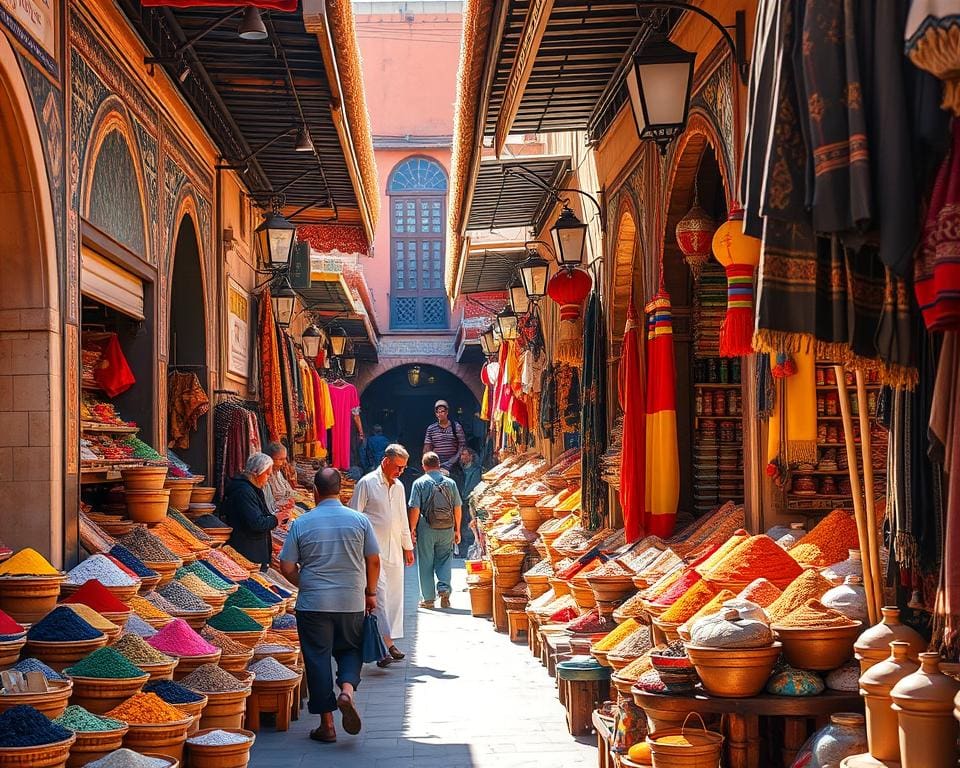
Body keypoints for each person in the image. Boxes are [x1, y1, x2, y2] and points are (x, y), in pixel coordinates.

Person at [279, 468, 380, 743]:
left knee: (317, 659)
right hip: (351, 601)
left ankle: (327, 725)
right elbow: (373, 560)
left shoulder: (302, 523)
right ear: (339, 490)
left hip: (313, 604)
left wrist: (305, 582)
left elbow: (286, 565)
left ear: (315, 492)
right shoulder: (360, 520)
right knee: (350, 649)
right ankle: (346, 690)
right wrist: (370, 593)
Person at [349, 444, 414, 667]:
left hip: (394, 549)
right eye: (398, 467)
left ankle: (387, 642)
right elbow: (354, 517)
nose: (400, 472)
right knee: (380, 597)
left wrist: (407, 546)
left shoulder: (399, 487)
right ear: (386, 461)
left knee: (394, 597)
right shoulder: (367, 483)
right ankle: (386, 645)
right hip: (371, 553)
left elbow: (402, 518)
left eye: (403, 468)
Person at [408, 452, 461, 608]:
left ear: (423, 466)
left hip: (426, 527)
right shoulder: (450, 483)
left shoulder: (419, 483)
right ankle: (444, 588)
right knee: (445, 559)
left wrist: (412, 529)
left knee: (425, 562)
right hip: (447, 528)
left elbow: (415, 508)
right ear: (439, 465)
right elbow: (457, 507)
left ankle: (428, 599)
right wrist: (457, 529)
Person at [220, 453, 282, 570]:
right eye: (267, 474)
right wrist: (275, 519)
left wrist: (277, 518)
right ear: (256, 473)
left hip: (253, 551)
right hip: (248, 552)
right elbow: (256, 523)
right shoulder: (244, 492)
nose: (268, 479)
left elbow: (261, 516)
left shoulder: (251, 489)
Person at [423, 400, 467, 472]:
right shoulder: (431, 428)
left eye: (442, 411)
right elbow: (427, 447)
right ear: (436, 413)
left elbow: (462, 446)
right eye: (438, 412)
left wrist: (452, 461)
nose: (440, 414)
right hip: (436, 464)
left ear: (447, 412)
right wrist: (428, 462)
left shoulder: (456, 427)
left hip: (453, 464)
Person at [456, 447, 482, 550]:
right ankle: (461, 547)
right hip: (460, 500)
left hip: (469, 500)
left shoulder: (476, 470)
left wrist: (467, 497)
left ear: (471, 456)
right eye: (461, 455)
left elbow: (473, 485)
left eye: (465, 454)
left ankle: (469, 546)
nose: (462, 457)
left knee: (470, 524)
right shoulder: (460, 470)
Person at [263, 442, 297, 516]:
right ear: (270, 459)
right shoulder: (264, 478)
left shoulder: (278, 472)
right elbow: (268, 506)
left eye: (285, 459)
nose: (284, 462)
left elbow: (288, 489)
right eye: (281, 459)